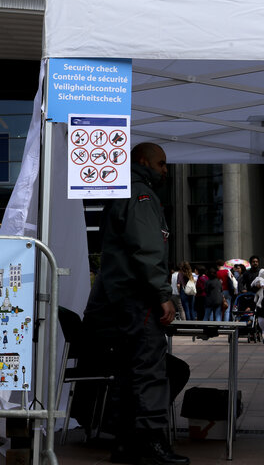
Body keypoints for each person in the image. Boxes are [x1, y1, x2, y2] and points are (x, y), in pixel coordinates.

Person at [81, 143, 189, 465]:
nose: (166, 171)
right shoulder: (141, 194)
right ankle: (150, 443)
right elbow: (147, 248)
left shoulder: (121, 191)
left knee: (128, 372)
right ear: (144, 162)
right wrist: (162, 295)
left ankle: (125, 443)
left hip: (121, 299)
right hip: (138, 298)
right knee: (149, 370)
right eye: (162, 164)